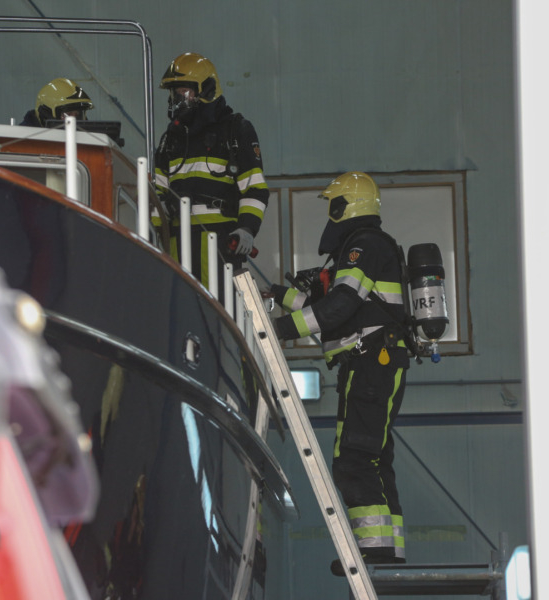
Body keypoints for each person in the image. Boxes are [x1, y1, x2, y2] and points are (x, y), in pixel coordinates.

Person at [269, 171, 412, 573]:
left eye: (334, 205)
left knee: (354, 458)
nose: (330, 215)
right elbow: (335, 315)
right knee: (371, 458)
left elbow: (338, 308)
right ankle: (386, 548)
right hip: (371, 363)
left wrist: (275, 328)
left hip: (372, 363)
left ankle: (376, 550)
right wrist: (282, 297)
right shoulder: (365, 248)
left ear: (347, 206)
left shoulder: (364, 246)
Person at [152, 52, 268, 296]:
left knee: (219, 318)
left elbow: (255, 189)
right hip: (175, 245)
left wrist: (247, 229)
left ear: (206, 90)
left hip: (220, 247)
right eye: (174, 93)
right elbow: (156, 196)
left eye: (183, 92)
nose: (176, 100)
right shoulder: (169, 140)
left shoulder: (235, 130)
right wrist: (152, 238)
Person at [21, 77, 94, 127]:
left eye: (77, 115)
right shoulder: (20, 143)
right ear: (46, 114)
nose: (73, 120)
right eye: (68, 114)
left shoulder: (88, 143)